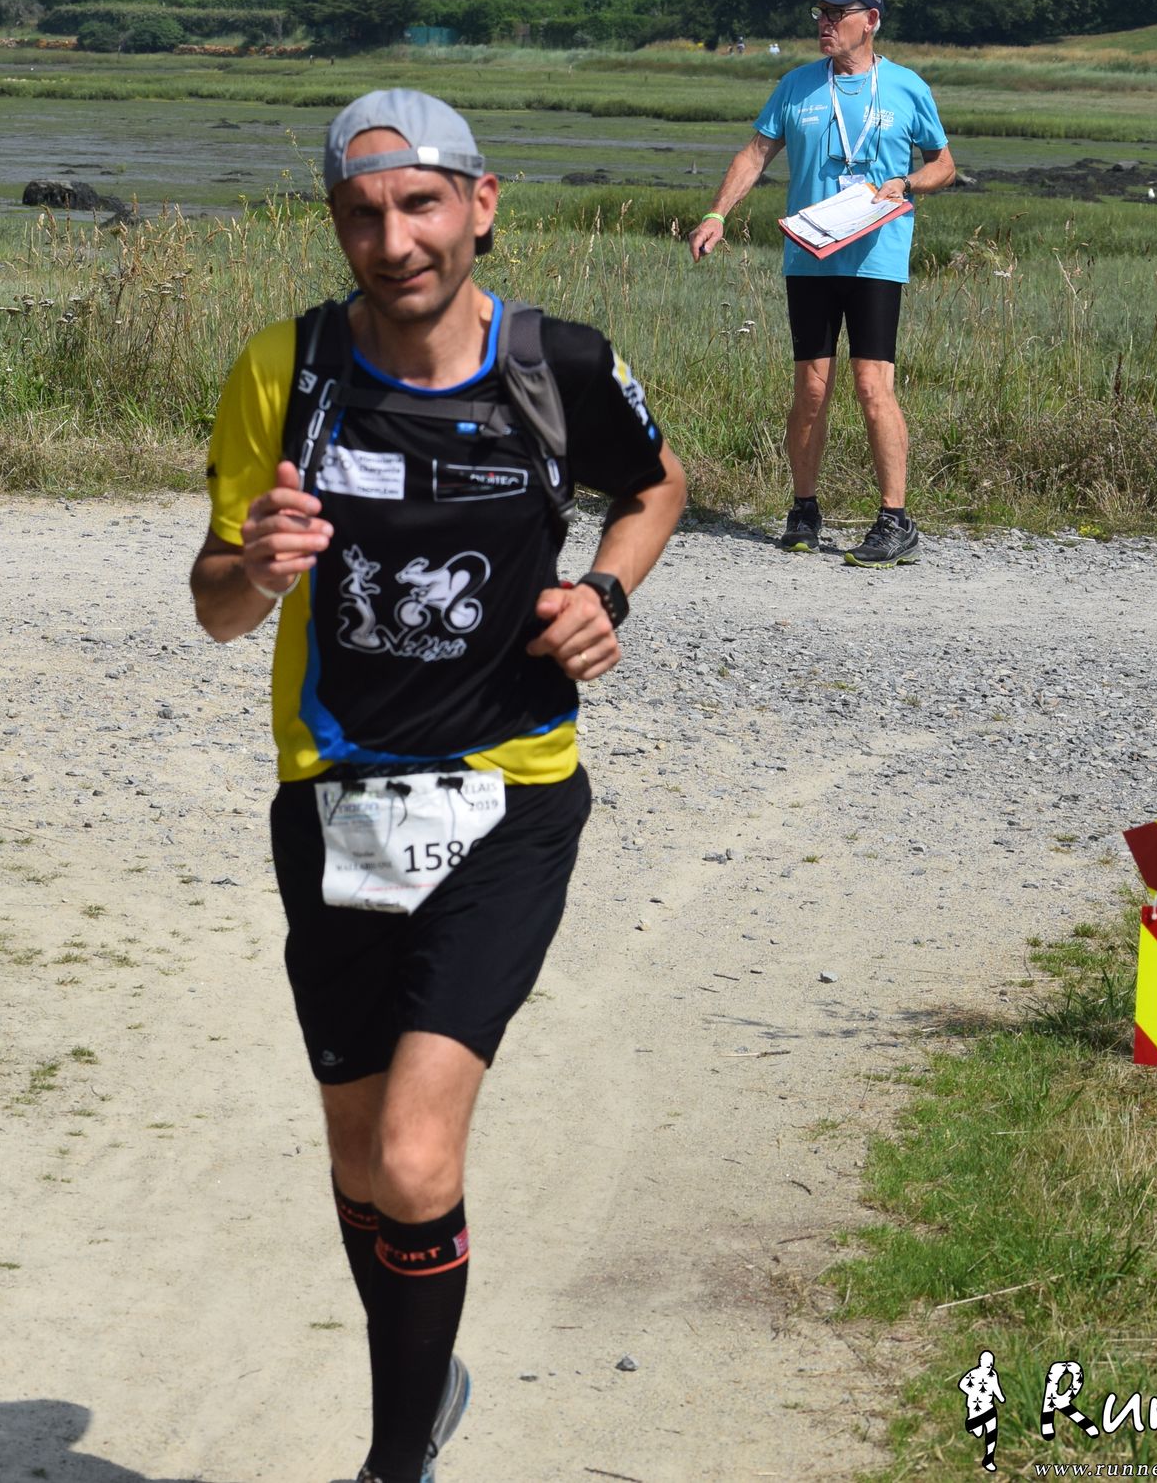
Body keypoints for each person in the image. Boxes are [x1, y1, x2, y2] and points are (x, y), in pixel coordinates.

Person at [188, 89, 686, 1483]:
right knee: (364, 1163)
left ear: (480, 204)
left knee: (412, 1157)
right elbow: (215, 605)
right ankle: (427, 1370)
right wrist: (257, 568)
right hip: (333, 800)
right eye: (362, 214)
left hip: (507, 796)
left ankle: (392, 1461)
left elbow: (656, 485)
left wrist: (604, 594)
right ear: (335, 225)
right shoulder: (285, 370)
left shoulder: (557, 364)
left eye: (419, 206)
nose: (394, 240)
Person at [687, 0, 956, 567]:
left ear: (871, 20)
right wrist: (716, 214)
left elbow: (944, 165)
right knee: (811, 388)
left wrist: (908, 182)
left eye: (838, 13)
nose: (825, 23)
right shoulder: (797, 86)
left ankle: (895, 519)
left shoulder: (907, 87)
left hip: (876, 256)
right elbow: (755, 154)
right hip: (809, 256)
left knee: (871, 385)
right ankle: (804, 510)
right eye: (820, 13)